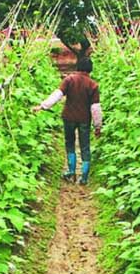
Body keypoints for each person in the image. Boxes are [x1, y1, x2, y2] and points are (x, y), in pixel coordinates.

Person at [32, 57, 102, 185]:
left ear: (77, 67)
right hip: (84, 120)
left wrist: (42, 106)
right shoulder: (93, 85)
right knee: (85, 147)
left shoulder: (69, 80)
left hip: (68, 117)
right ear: (90, 69)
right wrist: (98, 126)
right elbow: (95, 108)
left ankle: (71, 172)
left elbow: (57, 95)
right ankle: (84, 177)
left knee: (70, 143)